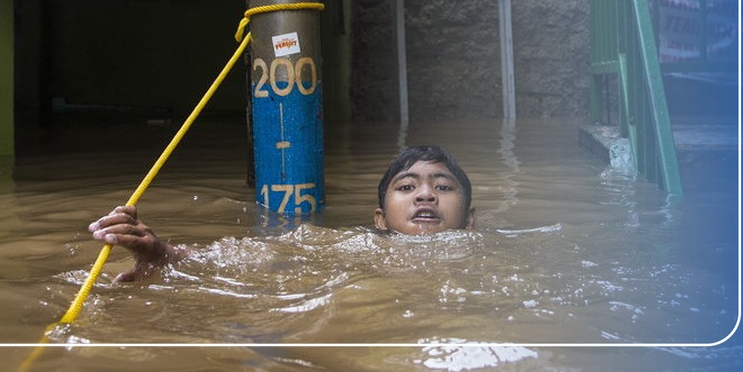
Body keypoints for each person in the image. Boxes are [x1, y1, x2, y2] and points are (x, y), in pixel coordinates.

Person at [88, 144, 475, 281]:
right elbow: (251, 260)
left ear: (470, 220)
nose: (425, 195)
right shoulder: (350, 247)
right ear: (379, 219)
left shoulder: (488, 253)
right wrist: (164, 254)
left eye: (442, 187)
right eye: (407, 187)